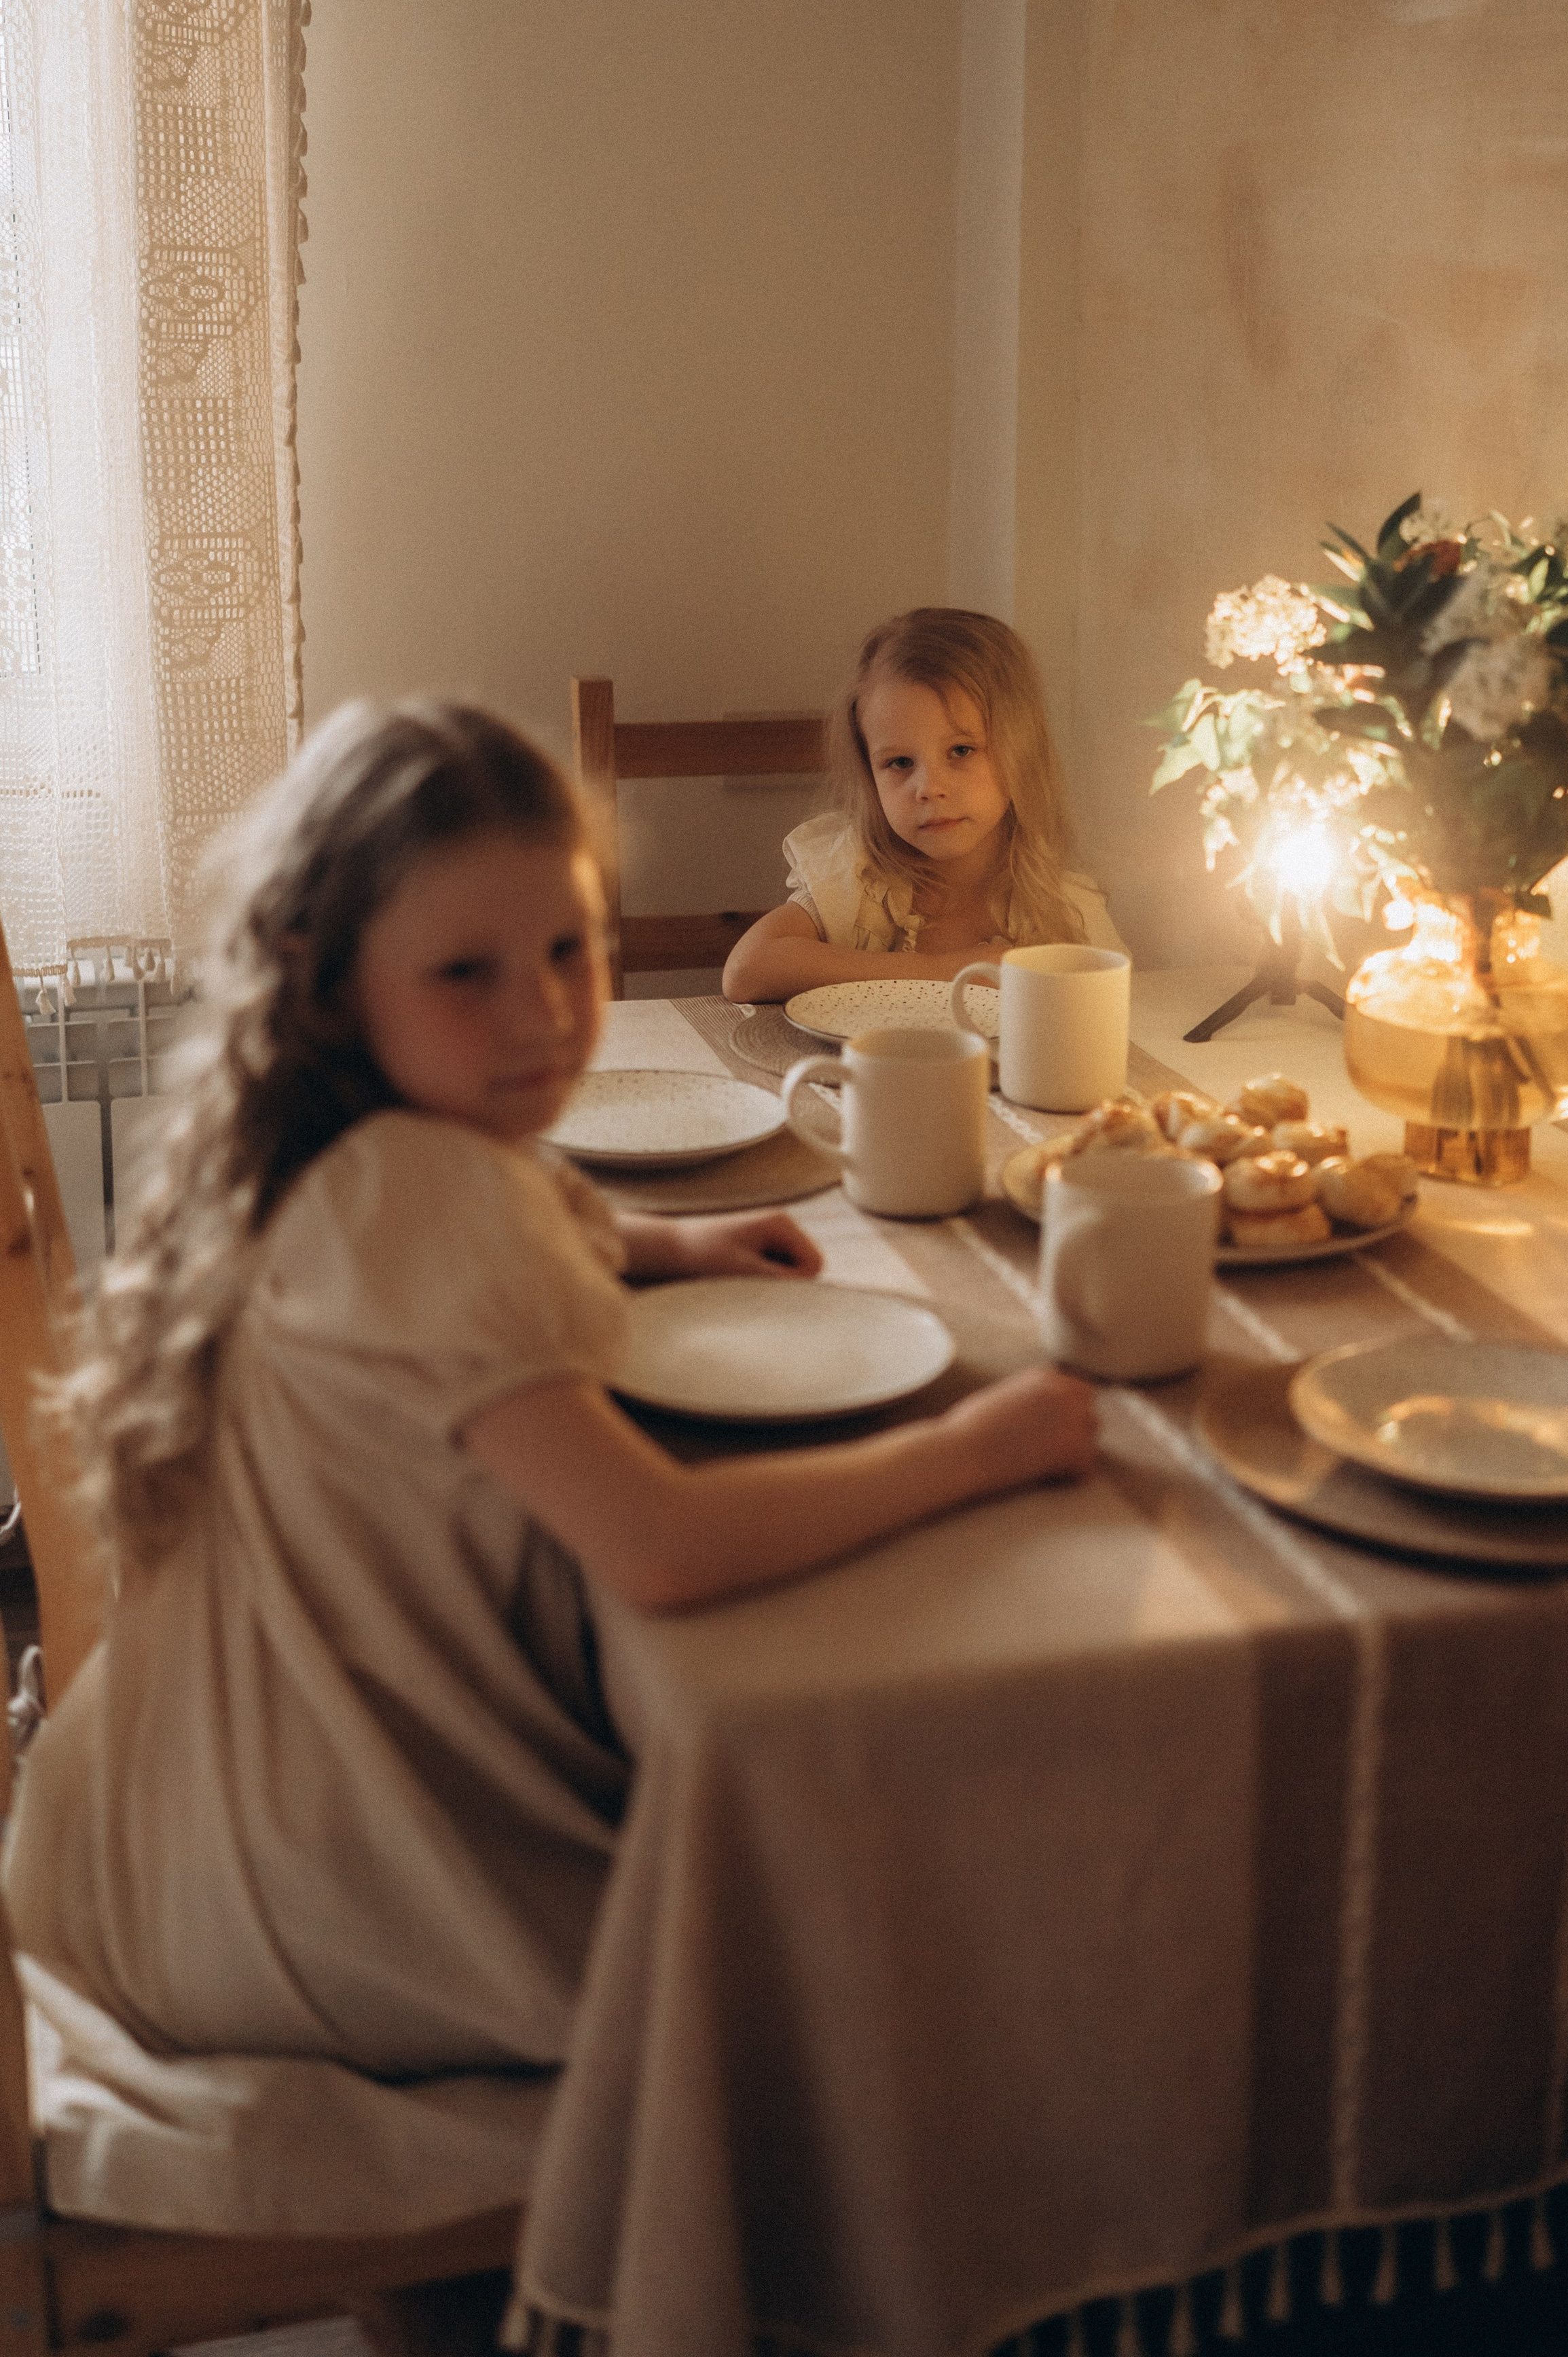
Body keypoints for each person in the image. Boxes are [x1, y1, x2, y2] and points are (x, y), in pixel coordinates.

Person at [3, 698, 1097, 2091]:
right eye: (467, 972)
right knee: (841, 1979)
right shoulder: (417, 1192)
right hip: (328, 1884)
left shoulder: (351, 1137)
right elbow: (662, 1547)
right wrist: (975, 1450)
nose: (541, 1012)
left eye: (569, 949)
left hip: (205, 1809)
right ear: (331, 984)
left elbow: (497, 1229)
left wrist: (661, 1247)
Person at [722, 607, 1126, 1003]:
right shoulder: (859, 881)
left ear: (1022, 753)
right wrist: (948, 971)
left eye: (961, 750)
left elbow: (1112, 1015)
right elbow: (745, 971)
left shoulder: (1061, 907)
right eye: (900, 762)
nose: (929, 788)